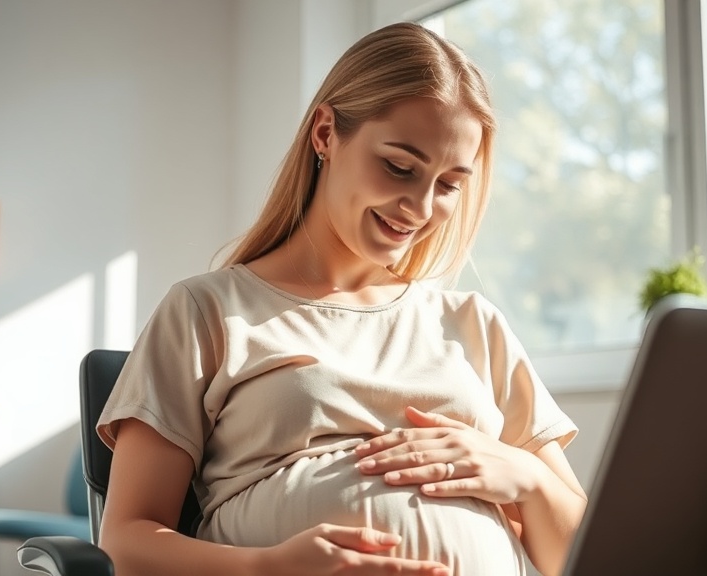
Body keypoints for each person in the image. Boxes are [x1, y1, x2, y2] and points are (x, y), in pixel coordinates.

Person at [95, 21, 587, 576]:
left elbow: (587, 555)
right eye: (399, 167)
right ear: (326, 133)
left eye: (449, 184)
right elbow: (126, 542)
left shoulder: (473, 324)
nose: (421, 207)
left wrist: (529, 478)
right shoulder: (207, 313)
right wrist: (269, 568)